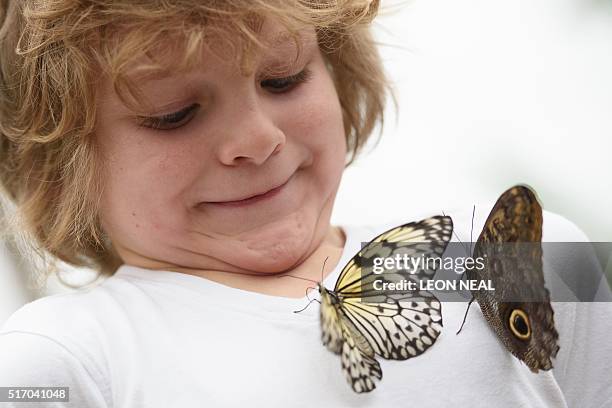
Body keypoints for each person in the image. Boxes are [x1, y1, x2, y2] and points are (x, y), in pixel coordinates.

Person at [0, 1, 610, 407]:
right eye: (174, 114)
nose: (259, 138)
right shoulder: (64, 358)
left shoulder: (510, 252)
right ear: (62, 165)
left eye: (284, 78)